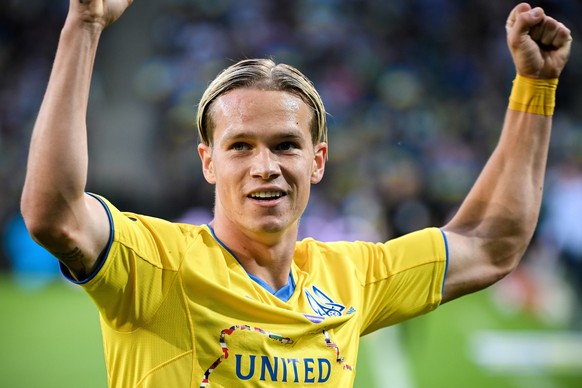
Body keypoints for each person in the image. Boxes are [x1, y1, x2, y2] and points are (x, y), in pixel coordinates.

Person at [20, 1, 571, 387]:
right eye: (240, 147)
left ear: (318, 160)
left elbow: (490, 241)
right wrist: (85, 25)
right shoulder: (157, 268)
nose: (266, 167)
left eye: (286, 145)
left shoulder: (353, 277)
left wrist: (536, 86)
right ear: (208, 162)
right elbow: (55, 214)